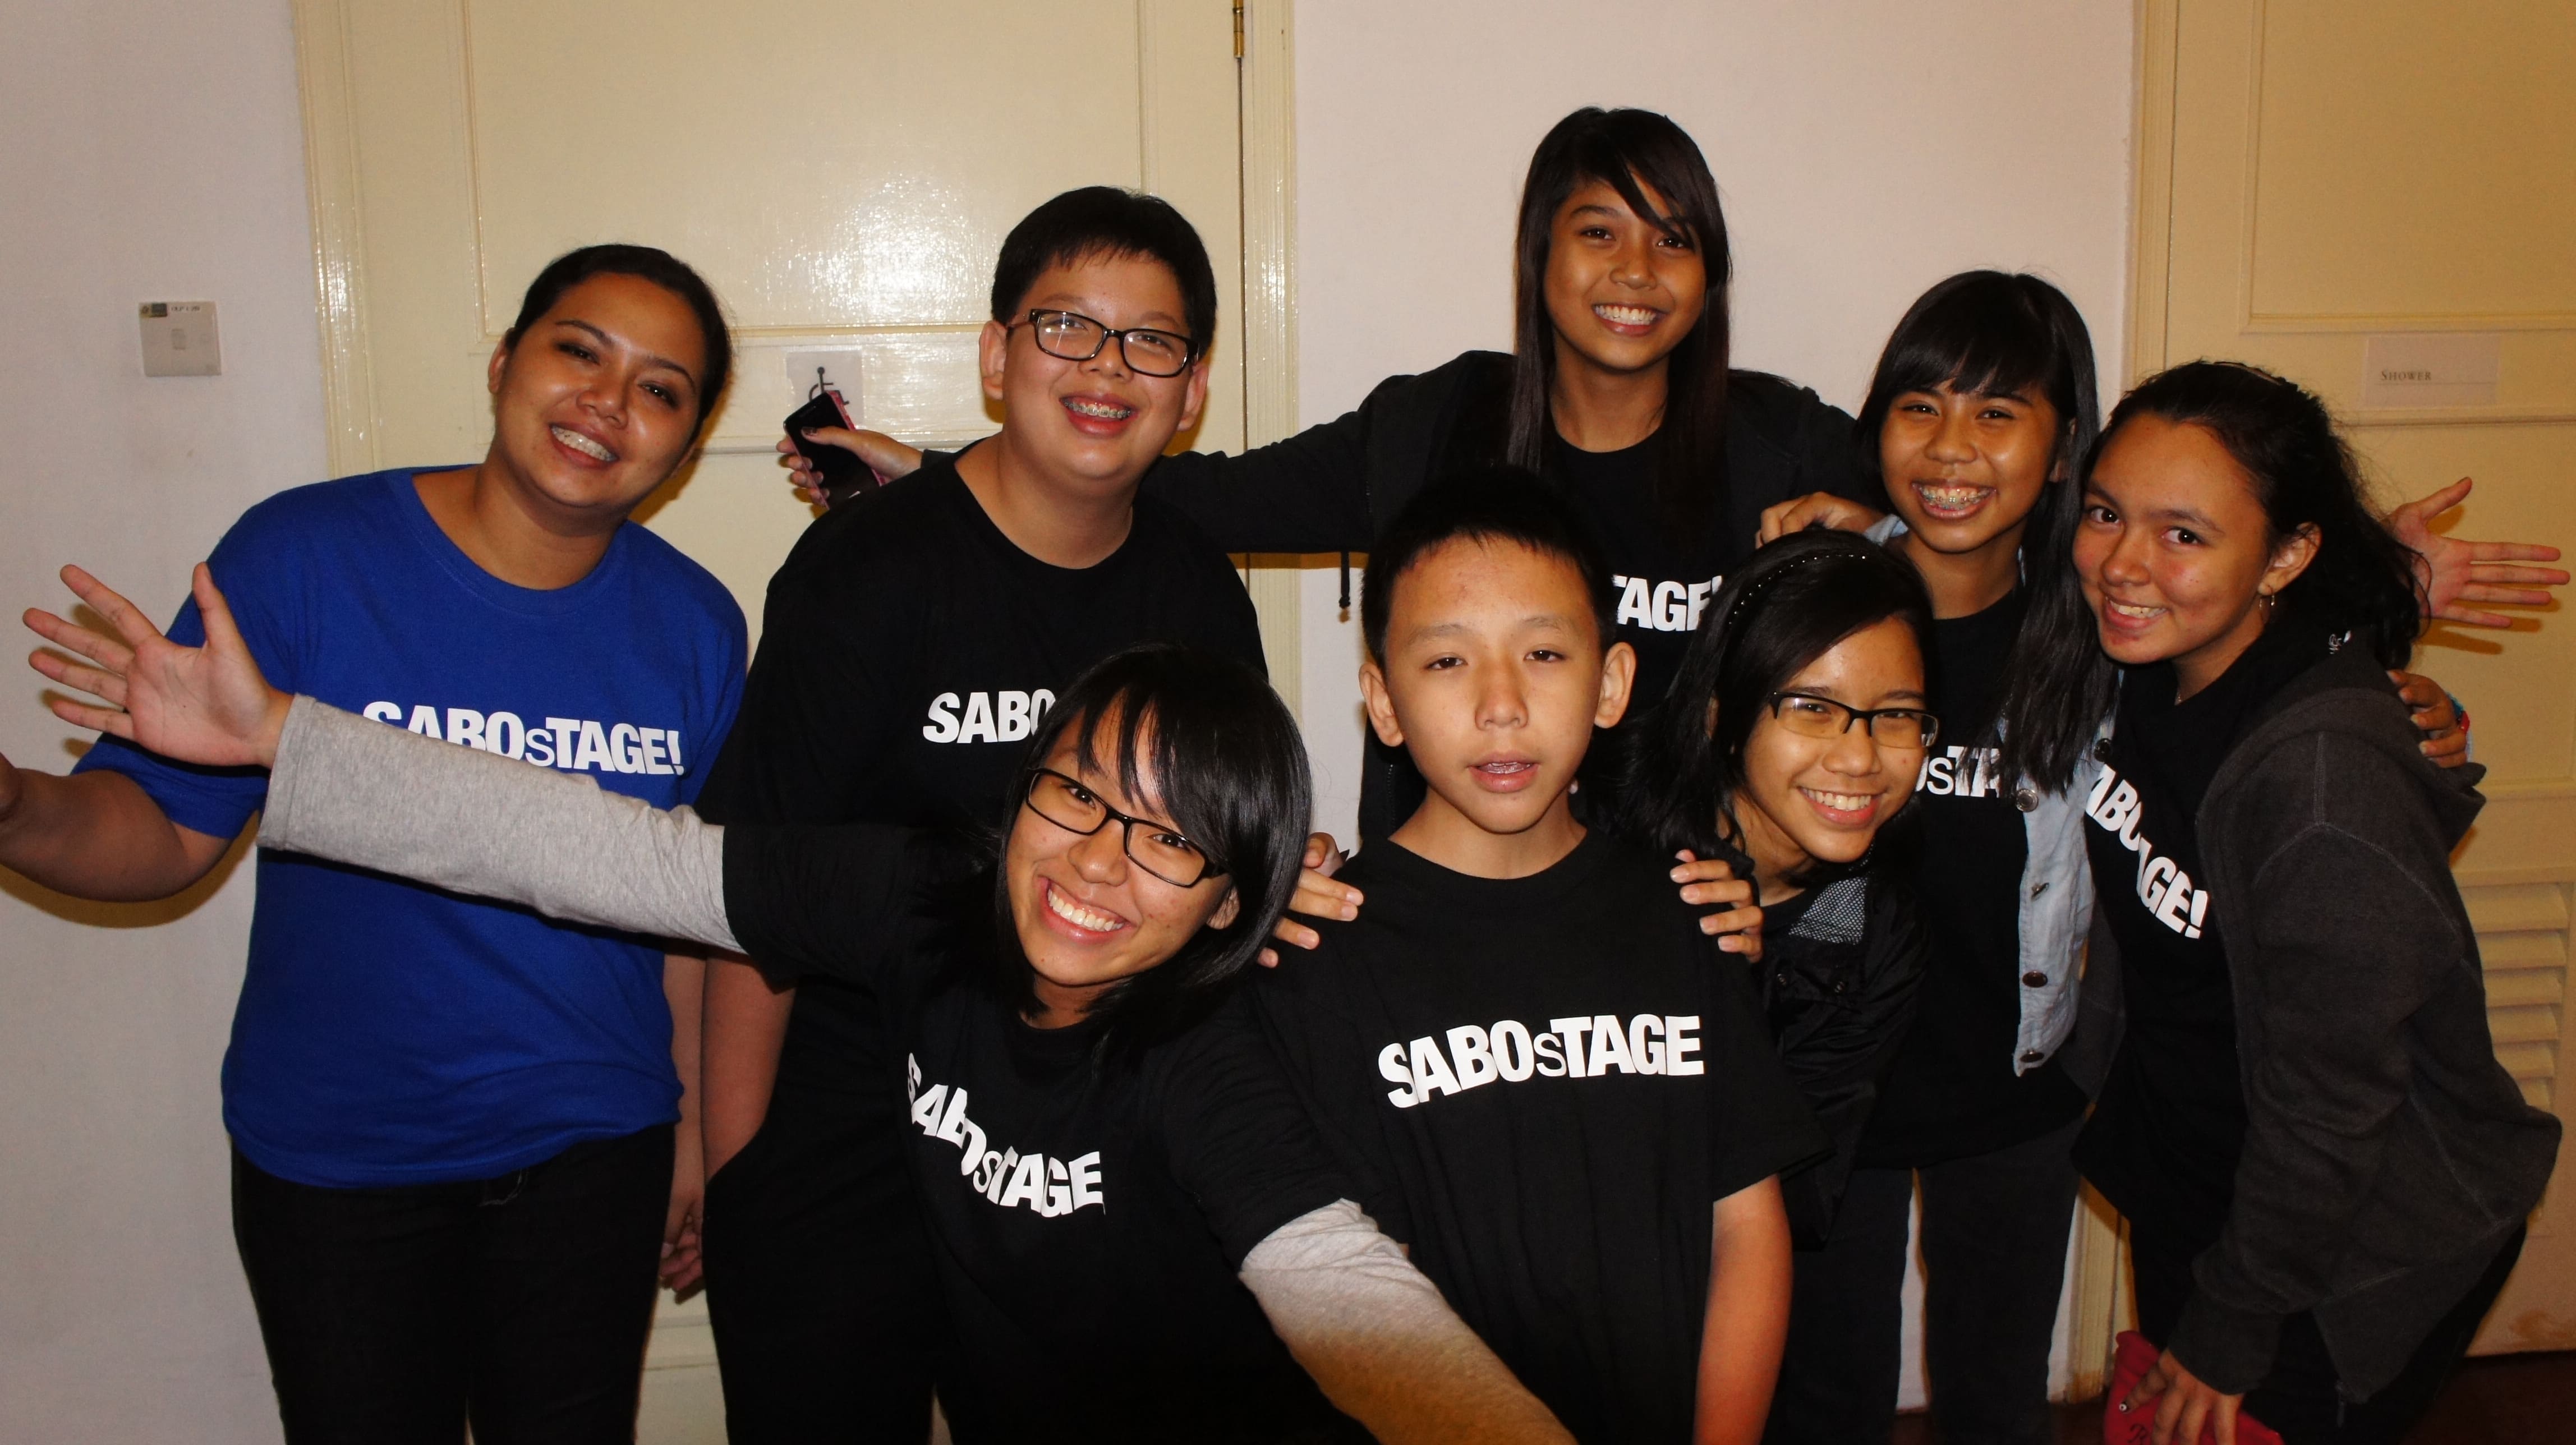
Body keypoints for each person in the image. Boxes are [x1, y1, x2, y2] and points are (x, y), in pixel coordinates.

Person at [23, 588, 1583, 1444]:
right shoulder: (927, 900)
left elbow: (1343, 1290)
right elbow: (605, 854)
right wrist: (284, 734)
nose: (1098, 866)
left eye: (1169, 839)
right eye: (1078, 796)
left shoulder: (1198, 1066)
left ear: (1228, 905)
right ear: (1019, 794)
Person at [1735, 273, 2557, 1445]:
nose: (1954, 445)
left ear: (2058, 443)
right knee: (1823, 1395)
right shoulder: (1828, 596)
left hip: (2030, 1090)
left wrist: (2382, 639)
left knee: (1996, 1395)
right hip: (1843, 1080)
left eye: (1998, 412)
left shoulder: (2092, 638)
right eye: (1919, 406)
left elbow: (2265, 691)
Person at [0, 246, 747, 1443]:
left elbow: (688, 907)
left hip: (590, 1147)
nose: (608, 402)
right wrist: (18, 806)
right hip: (341, 1160)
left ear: (686, 443)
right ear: (506, 361)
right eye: (578, 350)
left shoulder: (698, 626)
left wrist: (696, 1130)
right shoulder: (303, 558)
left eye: (661, 388)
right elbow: (159, 832)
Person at [788, 106, 1887, 842]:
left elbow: (1964, 543)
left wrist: (1879, 540)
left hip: (1692, 911)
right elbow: (1197, 491)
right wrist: (952, 470)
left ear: (1710, 274)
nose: (1633, 273)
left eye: (1673, 240)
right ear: (1539, 255)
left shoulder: (1779, 442)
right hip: (1456, 913)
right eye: (1598, 232)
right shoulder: (1438, 423)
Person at [689, 186, 1276, 1441]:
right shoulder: (864, 574)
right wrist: (735, 1171)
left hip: (1078, 1122)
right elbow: (751, 884)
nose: (1107, 368)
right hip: (849, 1106)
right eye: (1065, 326)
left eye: (1150, 341)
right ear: (995, 355)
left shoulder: (1196, 596)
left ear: (1193, 386)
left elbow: (1210, 868)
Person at [1252, 472, 1942, 1442]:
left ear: (1612, 683)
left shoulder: (1687, 914)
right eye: (1447, 662)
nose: (1501, 704)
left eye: (1543, 653)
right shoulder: (1326, 951)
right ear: (1384, 701)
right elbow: (1353, 1286)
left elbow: (1747, 1225)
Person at [2061, 363, 2559, 1445]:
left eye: (2183, 534)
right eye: (2106, 513)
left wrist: (2233, 1327)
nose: (2124, 564)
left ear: (2286, 554)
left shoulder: (2324, 785)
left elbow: (2332, 1111)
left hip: (2336, 1242)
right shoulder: (2154, 665)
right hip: (2197, 1170)